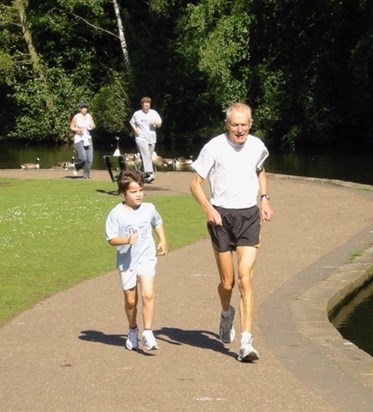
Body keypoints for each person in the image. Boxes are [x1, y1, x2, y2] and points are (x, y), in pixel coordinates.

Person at [190, 102, 274, 362]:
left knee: (245, 278)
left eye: (244, 125)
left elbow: (260, 170)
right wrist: (209, 210)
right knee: (228, 282)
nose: (240, 130)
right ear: (227, 125)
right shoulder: (214, 147)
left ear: (251, 124)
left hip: (249, 216)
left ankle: (246, 343)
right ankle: (226, 313)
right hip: (221, 218)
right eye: (235, 125)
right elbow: (194, 184)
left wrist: (265, 198)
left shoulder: (257, 146)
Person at [105, 169, 168, 351]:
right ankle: (132, 329)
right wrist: (126, 240)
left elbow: (157, 222)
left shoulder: (149, 208)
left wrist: (163, 240)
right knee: (131, 300)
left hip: (147, 257)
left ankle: (148, 332)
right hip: (127, 262)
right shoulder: (116, 213)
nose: (138, 194)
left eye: (140, 190)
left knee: (148, 294)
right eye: (133, 192)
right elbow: (110, 238)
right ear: (123, 193)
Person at [129, 97, 162, 183]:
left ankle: (142, 176)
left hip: (152, 138)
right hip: (140, 138)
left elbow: (159, 124)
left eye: (148, 106)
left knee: (148, 157)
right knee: (146, 155)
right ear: (142, 105)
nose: (146, 108)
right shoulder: (137, 114)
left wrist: (156, 123)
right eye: (145, 106)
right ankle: (150, 174)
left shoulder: (154, 113)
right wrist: (135, 129)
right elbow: (131, 122)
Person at [70, 101, 95, 179]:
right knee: (83, 158)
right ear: (80, 109)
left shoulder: (89, 116)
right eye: (83, 108)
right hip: (79, 139)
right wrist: (78, 129)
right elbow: (71, 127)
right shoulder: (76, 117)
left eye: (86, 108)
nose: (85, 109)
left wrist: (92, 125)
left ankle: (86, 174)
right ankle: (76, 166)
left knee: (89, 159)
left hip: (87, 138)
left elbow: (93, 125)